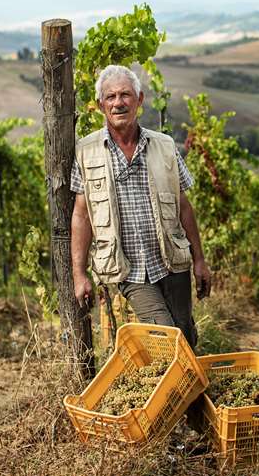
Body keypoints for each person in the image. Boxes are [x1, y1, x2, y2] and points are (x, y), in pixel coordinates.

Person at [70, 64, 211, 349]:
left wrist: (199, 260)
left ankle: (187, 393)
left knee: (186, 335)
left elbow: (184, 207)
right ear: (100, 105)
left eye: (125, 94)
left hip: (172, 261)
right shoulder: (86, 151)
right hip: (130, 269)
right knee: (167, 336)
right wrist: (79, 274)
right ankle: (177, 389)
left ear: (140, 100)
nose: (118, 102)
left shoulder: (164, 146)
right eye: (110, 97)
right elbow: (81, 216)